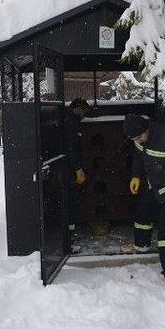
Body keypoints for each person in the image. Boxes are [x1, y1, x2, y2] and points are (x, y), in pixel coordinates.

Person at [121, 113, 165, 279]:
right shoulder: (139, 139)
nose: (137, 141)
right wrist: (135, 175)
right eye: (133, 139)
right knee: (142, 215)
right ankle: (141, 245)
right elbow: (138, 156)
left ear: (146, 130)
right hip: (152, 186)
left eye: (138, 137)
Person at [65, 98, 89, 252]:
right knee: (70, 203)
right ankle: (67, 241)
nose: (85, 114)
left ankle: (69, 237)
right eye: (84, 110)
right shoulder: (71, 123)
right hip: (68, 169)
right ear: (78, 108)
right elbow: (71, 148)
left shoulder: (70, 120)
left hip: (69, 168)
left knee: (71, 202)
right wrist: (78, 169)